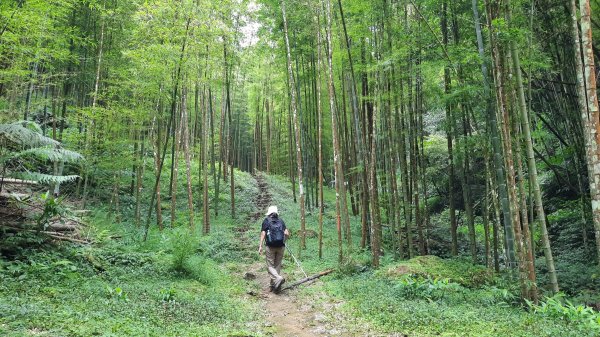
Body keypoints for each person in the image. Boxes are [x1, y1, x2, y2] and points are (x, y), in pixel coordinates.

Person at [258, 205, 290, 292]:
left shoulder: (266, 221)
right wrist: (284, 240)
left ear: (269, 213)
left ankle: (278, 278)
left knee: (270, 266)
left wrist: (260, 246)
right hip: (281, 246)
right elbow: (287, 233)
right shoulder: (281, 221)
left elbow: (263, 234)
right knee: (277, 265)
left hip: (270, 247)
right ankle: (274, 286)